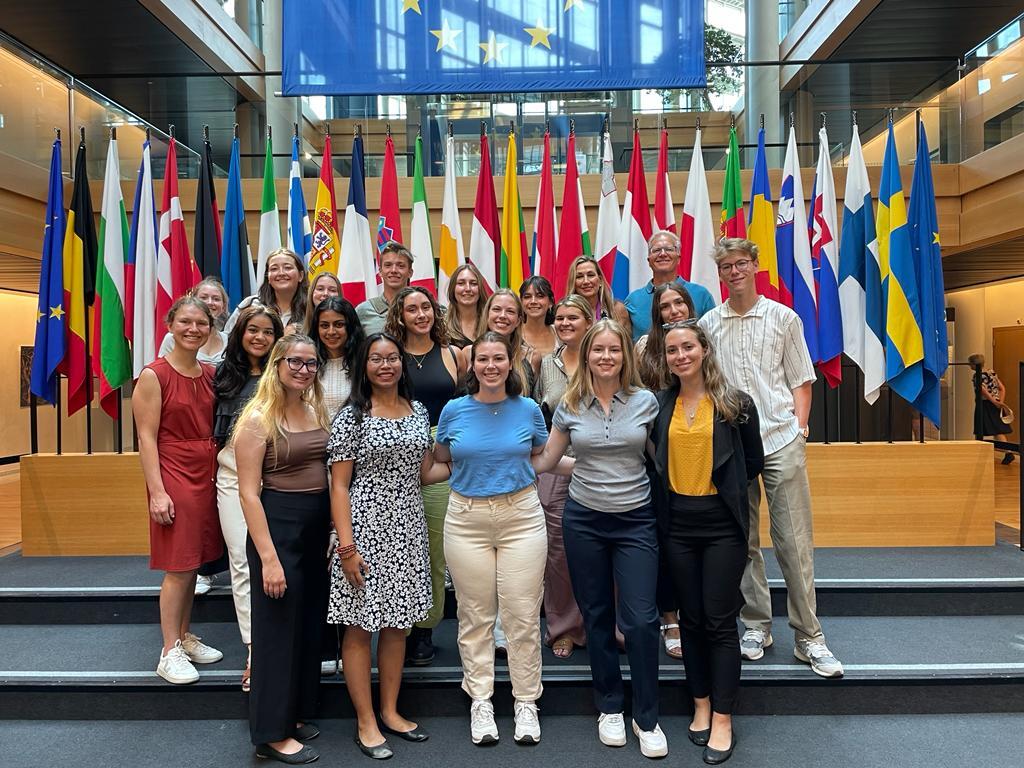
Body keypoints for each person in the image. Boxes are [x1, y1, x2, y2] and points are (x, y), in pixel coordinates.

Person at [699, 237, 844, 679]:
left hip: (781, 440)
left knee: (793, 542)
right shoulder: (708, 325)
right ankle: (756, 626)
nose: (734, 272)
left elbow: (802, 379)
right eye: (726, 266)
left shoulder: (784, 318)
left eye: (741, 263)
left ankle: (809, 637)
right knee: (742, 542)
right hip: (734, 447)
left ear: (755, 266)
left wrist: (800, 428)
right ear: (720, 273)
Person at [532, 319, 666, 759]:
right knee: (596, 614)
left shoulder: (646, 402)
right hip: (584, 521)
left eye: (614, 350)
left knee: (642, 619)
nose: (606, 357)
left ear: (625, 356)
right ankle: (609, 706)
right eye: (598, 350)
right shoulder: (570, 404)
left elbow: (660, 460)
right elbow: (549, 460)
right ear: (585, 355)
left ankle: (646, 716)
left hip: (636, 522)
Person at [434, 331, 563, 746]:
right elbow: (441, 460)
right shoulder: (453, 411)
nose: (491, 366)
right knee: (475, 616)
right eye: (483, 359)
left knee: (523, 615)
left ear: (512, 364)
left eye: (499, 359)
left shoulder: (528, 410)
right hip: (466, 519)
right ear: (472, 365)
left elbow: (542, 457)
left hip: (521, 517)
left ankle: (526, 701)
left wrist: (597, 467)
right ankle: (481, 700)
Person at [650, 321, 764, 765]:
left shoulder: (736, 404)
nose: (680, 356)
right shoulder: (660, 404)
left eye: (688, 347)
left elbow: (750, 462)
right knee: (690, 619)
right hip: (677, 524)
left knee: (718, 621)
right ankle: (698, 703)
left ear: (704, 350)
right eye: (672, 349)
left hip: (721, 527)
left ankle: (722, 717)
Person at [328, 333, 441, 759]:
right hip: (364, 530)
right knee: (359, 627)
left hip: (409, 528)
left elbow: (425, 472)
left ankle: (391, 711)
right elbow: (338, 486)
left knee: (397, 627)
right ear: (365, 366)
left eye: (392, 357)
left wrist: (471, 460)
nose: (386, 365)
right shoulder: (351, 417)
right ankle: (365, 720)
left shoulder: (418, 412)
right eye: (376, 359)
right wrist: (346, 547)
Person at [234, 334, 331, 765]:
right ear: (277, 364)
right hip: (278, 527)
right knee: (275, 632)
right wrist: (270, 559)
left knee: (307, 625)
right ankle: (270, 734)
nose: (304, 370)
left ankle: (292, 714)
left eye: (311, 364)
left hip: (314, 529)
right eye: (295, 361)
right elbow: (249, 494)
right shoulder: (258, 418)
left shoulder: (314, 408)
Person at [133, 295, 224, 685]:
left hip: (206, 472)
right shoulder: (154, 375)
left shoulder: (208, 373)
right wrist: (157, 491)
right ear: (170, 325)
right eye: (185, 322)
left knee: (194, 563)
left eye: (201, 324)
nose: (193, 329)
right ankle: (169, 650)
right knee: (179, 565)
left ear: (210, 329)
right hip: (173, 472)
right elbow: (146, 437)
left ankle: (185, 637)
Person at [385, 287, 466, 666]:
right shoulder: (389, 355)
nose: (421, 314)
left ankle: (424, 628)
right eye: (411, 309)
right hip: (395, 454)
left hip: (441, 453)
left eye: (426, 308)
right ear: (399, 315)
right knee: (398, 546)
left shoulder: (453, 355)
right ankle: (394, 628)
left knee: (435, 547)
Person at [213, 304, 285, 692]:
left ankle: (282, 645)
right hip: (232, 478)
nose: (259, 337)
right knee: (242, 561)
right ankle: (256, 651)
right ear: (240, 333)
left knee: (278, 561)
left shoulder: (288, 375)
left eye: (267, 332)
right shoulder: (222, 377)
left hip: (279, 479)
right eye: (252, 330)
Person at [634, 282, 697, 661]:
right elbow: (640, 405)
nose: (673, 310)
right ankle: (670, 616)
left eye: (679, 303)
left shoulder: (705, 342)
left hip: (697, 450)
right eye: (665, 306)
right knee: (662, 536)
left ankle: (697, 615)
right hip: (656, 454)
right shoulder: (644, 348)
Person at [532, 294, 593, 659]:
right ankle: (565, 627)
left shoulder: (604, 358)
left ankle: (607, 626)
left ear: (589, 320)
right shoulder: (548, 365)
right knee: (558, 553)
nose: (566, 323)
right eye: (561, 318)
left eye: (574, 317)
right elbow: (542, 414)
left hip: (603, 468)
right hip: (558, 469)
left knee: (603, 549)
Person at [625, 230, 716, 341]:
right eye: (657, 250)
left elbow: (712, 339)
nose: (663, 254)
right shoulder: (633, 300)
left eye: (669, 249)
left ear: (678, 258)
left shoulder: (701, 294)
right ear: (648, 260)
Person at [464, 289, 539, 388]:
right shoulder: (467, 353)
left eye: (510, 311)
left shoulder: (532, 357)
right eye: (497, 309)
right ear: (487, 315)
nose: (503, 316)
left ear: (518, 321)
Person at [226, 248, 309, 334]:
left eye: (287, 268)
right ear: (268, 277)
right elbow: (229, 339)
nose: (281, 273)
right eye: (274, 269)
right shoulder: (250, 305)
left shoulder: (311, 308)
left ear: (301, 276)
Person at [311, 296, 365, 421]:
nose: (331, 331)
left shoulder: (364, 363)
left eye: (339, 324)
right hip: (313, 437)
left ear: (351, 327)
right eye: (324, 325)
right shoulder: (307, 363)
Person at [158, 277, 230, 364]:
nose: (210, 302)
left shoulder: (230, 340)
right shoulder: (173, 338)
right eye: (204, 297)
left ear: (223, 306)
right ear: (193, 301)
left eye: (216, 299)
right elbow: (163, 372)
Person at [355, 241, 413, 335]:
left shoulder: (424, 310)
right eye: (388, 265)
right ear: (380, 272)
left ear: (410, 272)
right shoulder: (363, 311)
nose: (394, 270)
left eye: (400, 265)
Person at [565, 255, 632, 335]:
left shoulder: (617, 310)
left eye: (590, 275)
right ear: (573, 283)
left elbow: (626, 345)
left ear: (600, 280)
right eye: (579, 276)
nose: (586, 281)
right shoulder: (565, 312)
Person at [969, 352, 1015, 464]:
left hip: (985, 404)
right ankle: (1008, 451)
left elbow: (983, 391)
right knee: (998, 429)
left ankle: (978, 452)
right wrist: (1000, 402)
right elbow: (1002, 388)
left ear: (974, 365)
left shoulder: (977, 376)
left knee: (980, 427)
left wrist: (993, 401)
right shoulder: (992, 373)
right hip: (996, 404)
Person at [444, 262, 488, 349]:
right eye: (461, 283)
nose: (468, 288)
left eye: (473, 283)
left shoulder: (491, 323)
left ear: (480, 289)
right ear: (453, 288)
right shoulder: (441, 326)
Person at [520, 276, 557, 360]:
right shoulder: (513, 333)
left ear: (550, 302)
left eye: (540, 296)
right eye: (527, 296)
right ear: (521, 302)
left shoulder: (560, 333)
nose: (533, 301)